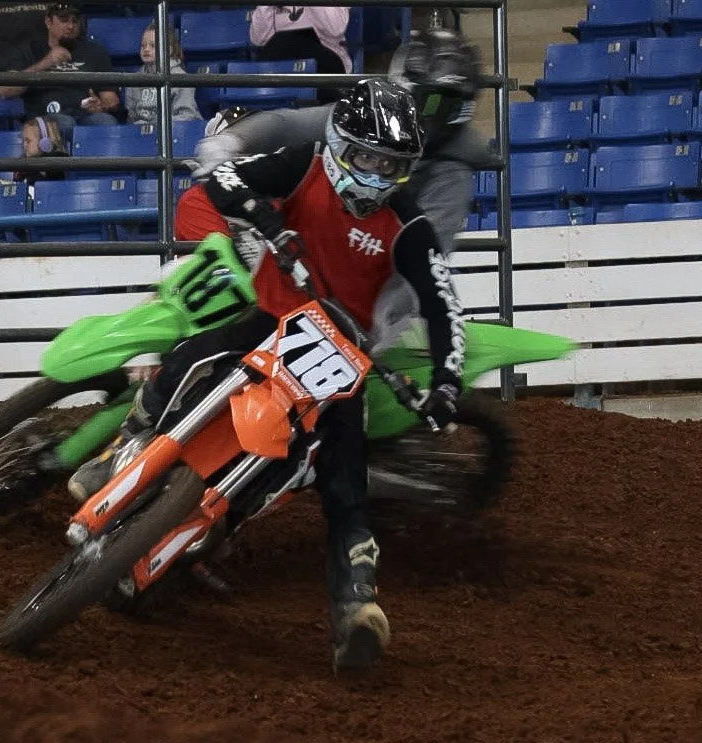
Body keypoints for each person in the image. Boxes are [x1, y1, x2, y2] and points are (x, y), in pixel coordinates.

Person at [68, 79, 467, 675]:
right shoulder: (304, 164)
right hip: (273, 315)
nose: (376, 174)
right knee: (190, 357)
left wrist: (448, 384)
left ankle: (356, 605)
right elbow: (223, 178)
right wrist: (262, 214)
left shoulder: (409, 226)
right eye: (366, 158)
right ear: (340, 144)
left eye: (391, 164)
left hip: (341, 355)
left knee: (344, 477)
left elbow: (445, 305)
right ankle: (123, 449)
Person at [188, 25, 491, 343]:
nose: (435, 118)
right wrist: (234, 140)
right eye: (430, 103)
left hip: (373, 291)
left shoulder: (451, 174)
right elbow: (290, 125)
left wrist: (376, 328)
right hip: (321, 263)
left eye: (451, 107)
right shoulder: (369, 120)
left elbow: (424, 258)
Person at [0, 4, 120, 134]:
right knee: (65, 123)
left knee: (106, 122)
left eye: (75, 21)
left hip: (84, 115)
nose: (70, 26)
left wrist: (101, 106)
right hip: (43, 118)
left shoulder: (95, 51)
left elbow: (111, 99)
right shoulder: (29, 50)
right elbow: (5, 90)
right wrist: (45, 63)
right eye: (64, 20)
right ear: (48, 22)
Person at [249, 5, 351, 104]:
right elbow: (258, 39)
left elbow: (336, 30)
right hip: (282, 62)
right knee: (282, 42)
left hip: (326, 60)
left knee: (288, 40)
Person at [124, 23, 200, 127]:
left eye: (153, 46)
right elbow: (132, 118)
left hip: (174, 131)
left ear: (169, 50)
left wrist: (155, 124)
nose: (146, 49)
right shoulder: (135, 78)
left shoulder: (180, 77)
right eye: (143, 45)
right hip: (142, 132)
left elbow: (187, 115)